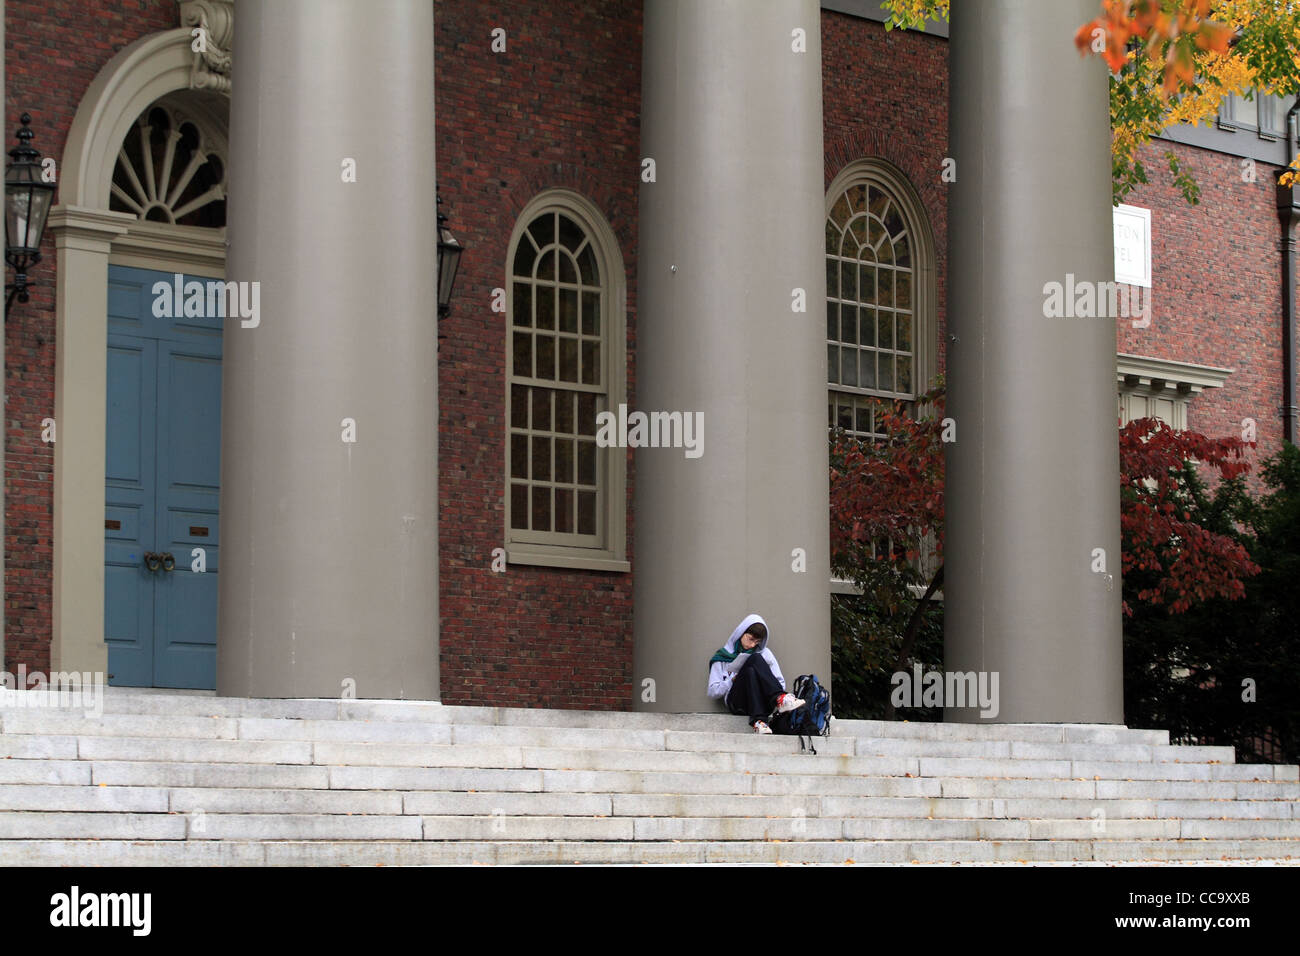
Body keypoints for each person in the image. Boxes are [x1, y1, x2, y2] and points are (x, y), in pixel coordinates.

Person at [706, 612, 804, 734]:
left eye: (757, 642)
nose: (752, 645)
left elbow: (780, 683)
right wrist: (731, 680)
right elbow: (712, 692)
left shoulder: (765, 654)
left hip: (764, 703)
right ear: (741, 633)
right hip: (738, 703)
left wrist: (762, 679)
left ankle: (762, 719)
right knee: (754, 661)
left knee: (754, 663)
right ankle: (778, 700)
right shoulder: (722, 656)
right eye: (751, 639)